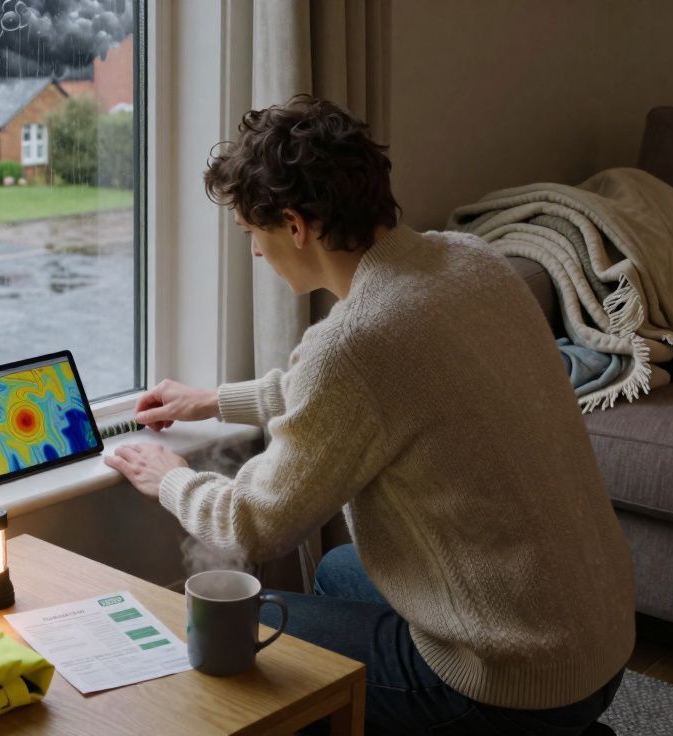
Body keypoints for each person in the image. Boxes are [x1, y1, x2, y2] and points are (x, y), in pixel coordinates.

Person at [103, 95, 633, 735]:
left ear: (295, 226)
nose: (255, 255)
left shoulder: (355, 344)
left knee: (239, 633)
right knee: (338, 571)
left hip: (509, 681)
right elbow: (364, 393)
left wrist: (168, 477)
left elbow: (254, 524)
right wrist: (214, 399)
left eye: (253, 234)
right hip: (600, 644)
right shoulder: (472, 263)